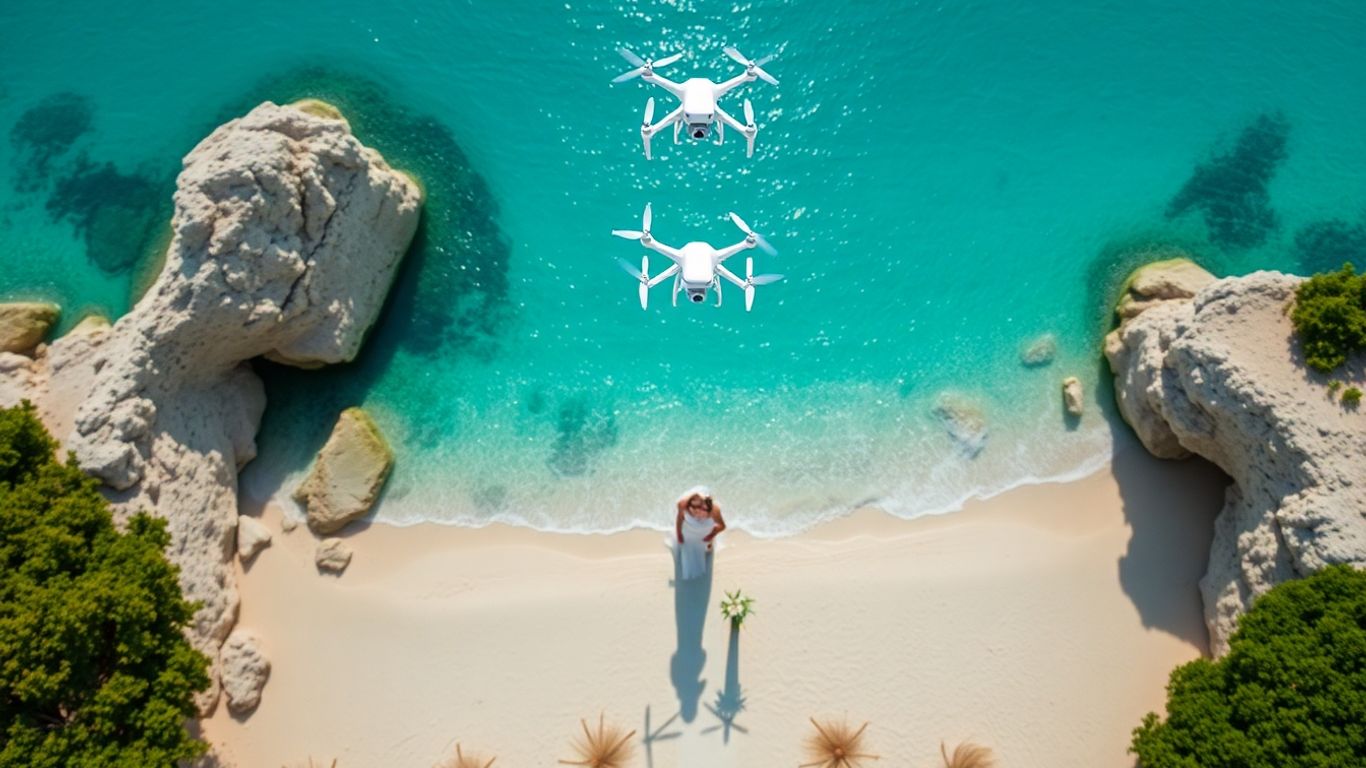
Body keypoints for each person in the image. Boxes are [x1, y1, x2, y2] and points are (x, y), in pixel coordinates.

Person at [675, 486, 726, 581]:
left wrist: (711, 535)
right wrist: (679, 534)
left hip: (707, 530)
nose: (697, 511)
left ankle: (708, 545)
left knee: (707, 546)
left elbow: (722, 526)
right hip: (689, 529)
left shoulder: (714, 510)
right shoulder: (682, 504)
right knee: (687, 542)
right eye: (694, 508)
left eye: (702, 509)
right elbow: (680, 519)